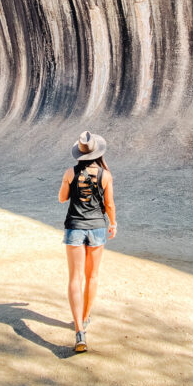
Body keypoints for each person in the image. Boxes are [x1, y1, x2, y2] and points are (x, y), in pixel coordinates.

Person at [58, 130, 117, 352]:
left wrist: (68, 185)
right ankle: (85, 317)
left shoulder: (70, 173)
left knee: (75, 278)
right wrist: (113, 223)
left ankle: (79, 329)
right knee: (92, 276)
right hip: (97, 228)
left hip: (74, 227)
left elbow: (62, 198)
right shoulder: (106, 175)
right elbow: (109, 205)